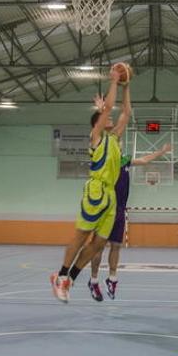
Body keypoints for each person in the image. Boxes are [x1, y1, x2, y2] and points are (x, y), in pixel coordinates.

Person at [51, 65, 130, 303]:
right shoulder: (95, 137)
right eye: (106, 116)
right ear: (98, 122)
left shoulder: (114, 138)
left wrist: (127, 86)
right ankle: (61, 274)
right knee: (81, 236)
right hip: (95, 190)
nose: (112, 118)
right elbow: (108, 109)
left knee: (99, 244)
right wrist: (114, 81)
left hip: (111, 196)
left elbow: (126, 112)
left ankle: (71, 279)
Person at [88, 142, 171, 301]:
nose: (119, 146)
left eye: (119, 145)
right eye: (116, 145)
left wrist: (161, 151)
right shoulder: (103, 162)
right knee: (98, 247)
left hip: (119, 210)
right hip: (105, 209)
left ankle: (112, 279)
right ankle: (93, 280)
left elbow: (145, 160)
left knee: (116, 245)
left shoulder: (125, 160)